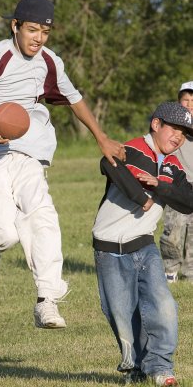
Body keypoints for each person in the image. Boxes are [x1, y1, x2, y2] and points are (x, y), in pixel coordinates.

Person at [0, 0, 125, 329]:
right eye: (32, 30)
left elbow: (74, 99)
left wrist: (102, 138)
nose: (39, 38)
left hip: (27, 146)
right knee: (4, 233)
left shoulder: (49, 62)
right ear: (15, 26)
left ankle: (47, 298)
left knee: (41, 214)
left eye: (45, 32)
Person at [92, 102, 193, 386]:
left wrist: (159, 187)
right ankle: (133, 369)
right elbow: (107, 163)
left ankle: (161, 368)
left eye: (184, 134)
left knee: (163, 305)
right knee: (122, 314)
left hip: (145, 246)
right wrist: (141, 196)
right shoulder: (133, 149)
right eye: (174, 128)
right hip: (109, 248)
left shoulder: (173, 166)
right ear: (156, 124)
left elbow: (188, 201)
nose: (178, 137)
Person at [160, 81, 193, 283]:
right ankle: (170, 268)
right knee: (173, 230)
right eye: (185, 100)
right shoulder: (174, 127)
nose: (189, 104)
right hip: (177, 187)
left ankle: (190, 273)